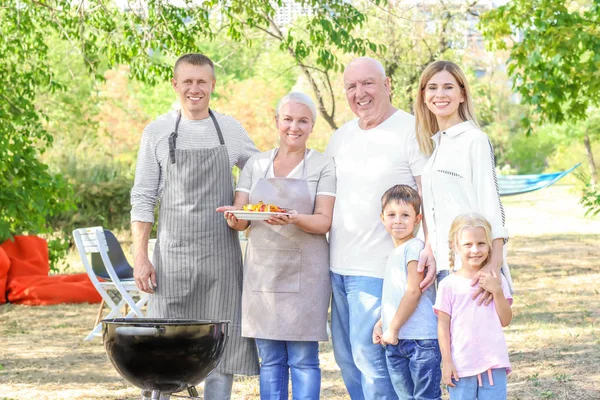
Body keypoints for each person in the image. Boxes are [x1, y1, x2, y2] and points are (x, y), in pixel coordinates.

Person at [130, 53, 260, 399]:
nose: (194, 88)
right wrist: (141, 257)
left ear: (213, 85)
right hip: (172, 261)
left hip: (221, 258)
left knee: (221, 346)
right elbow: (142, 198)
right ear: (175, 84)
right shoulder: (157, 132)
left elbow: (260, 170)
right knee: (165, 344)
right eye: (187, 81)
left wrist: (243, 204)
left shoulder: (230, 130)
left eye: (202, 81)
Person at [325, 56, 433, 400]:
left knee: (372, 358)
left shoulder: (412, 130)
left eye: (368, 83)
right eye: (352, 86)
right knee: (347, 358)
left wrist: (430, 246)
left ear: (387, 85)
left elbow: (430, 198)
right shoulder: (340, 138)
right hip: (336, 266)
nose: (360, 93)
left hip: (380, 269)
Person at [217, 92, 336, 399]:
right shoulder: (256, 164)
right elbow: (242, 217)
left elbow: (323, 221)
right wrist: (233, 218)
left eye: (302, 121)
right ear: (277, 122)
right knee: (270, 361)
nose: (293, 127)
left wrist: (295, 218)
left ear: (312, 125)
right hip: (263, 276)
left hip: (306, 276)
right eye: (287, 119)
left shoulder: (323, 165)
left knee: (304, 361)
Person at [415, 60, 513, 299]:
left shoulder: (474, 140)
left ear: (462, 94)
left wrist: (493, 265)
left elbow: (491, 204)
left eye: (448, 87)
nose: (440, 94)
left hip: (471, 266)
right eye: (432, 87)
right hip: (442, 266)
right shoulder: (436, 145)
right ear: (423, 96)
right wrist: (428, 246)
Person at [433, 213, 513, 399]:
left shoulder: (497, 279)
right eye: (468, 244)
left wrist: (497, 291)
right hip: (461, 366)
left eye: (481, 243)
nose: (475, 249)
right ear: (454, 245)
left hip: (494, 363)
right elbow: (443, 326)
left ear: (489, 246)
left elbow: (506, 320)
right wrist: (447, 361)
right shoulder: (448, 285)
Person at [373, 185, 441, 400]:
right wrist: (383, 322)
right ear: (382, 218)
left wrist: (392, 328)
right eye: (391, 215)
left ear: (418, 218)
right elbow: (396, 295)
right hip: (397, 339)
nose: (398, 220)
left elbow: (414, 292)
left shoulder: (414, 248)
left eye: (405, 215)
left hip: (421, 341)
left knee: (425, 397)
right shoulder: (395, 252)